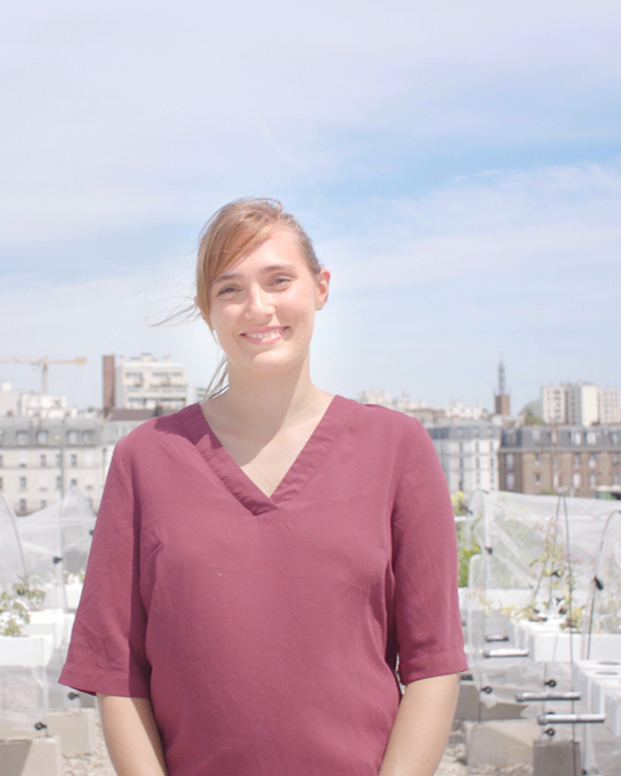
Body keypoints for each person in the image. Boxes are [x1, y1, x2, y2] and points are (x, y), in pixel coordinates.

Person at [60, 198, 467, 776]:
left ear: (321, 287)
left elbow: (433, 663)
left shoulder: (397, 448)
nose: (259, 307)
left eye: (279, 280)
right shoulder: (145, 460)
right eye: (230, 290)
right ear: (207, 310)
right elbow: (117, 673)